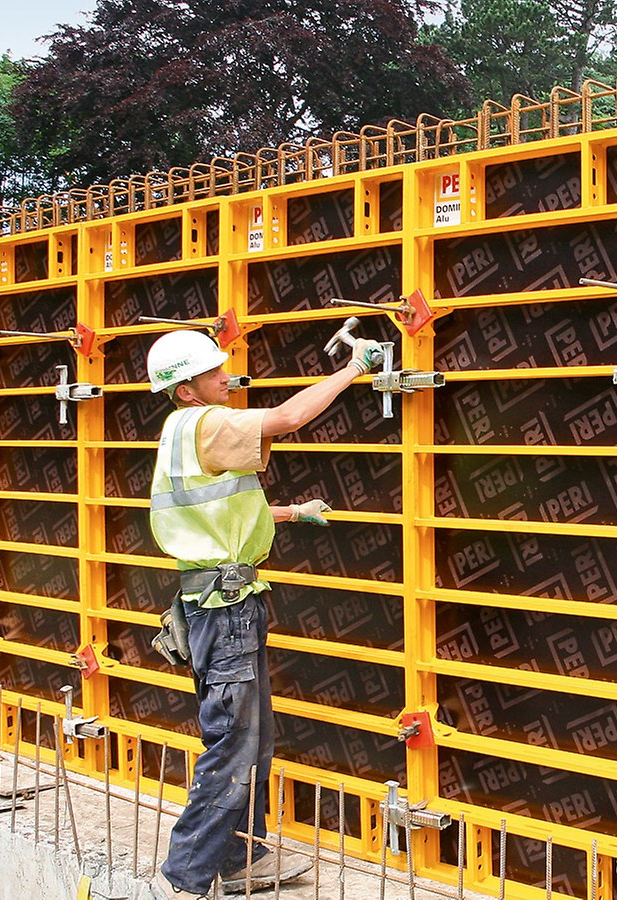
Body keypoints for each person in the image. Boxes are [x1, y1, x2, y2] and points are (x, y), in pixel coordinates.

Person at [145, 328, 382, 900]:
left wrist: (294, 512)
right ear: (185, 389)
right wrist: (355, 367)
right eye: (212, 373)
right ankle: (189, 876)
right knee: (232, 742)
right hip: (223, 611)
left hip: (219, 605)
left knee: (253, 738)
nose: (226, 376)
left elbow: (226, 513)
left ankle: (241, 858)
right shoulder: (205, 422)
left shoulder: (183, 430)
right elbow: (288, 418)